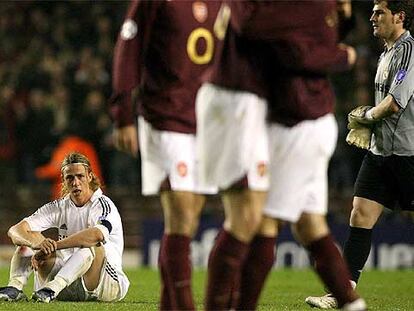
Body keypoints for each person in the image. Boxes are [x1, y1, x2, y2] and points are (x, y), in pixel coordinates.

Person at [109, 1, 222, 309]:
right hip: (165, 114)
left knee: (187, 222)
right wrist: (122, 112)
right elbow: (127, 48)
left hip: (208, 119)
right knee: (181, 214)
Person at [305, 0, 414, 308]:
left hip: (408, 154)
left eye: (380, 12)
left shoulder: (409, 51)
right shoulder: (386, 54)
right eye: (373, 11)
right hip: (380, 154)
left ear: (399, 16)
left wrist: (366, 117)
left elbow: (393, 103)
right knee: (360, 214)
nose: (372, 17)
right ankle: (341, 294)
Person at [0, 152, 129, 303]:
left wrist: (54, 246)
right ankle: (15, 288)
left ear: (90, 176)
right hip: (69, 281)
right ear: (63, 180)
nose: (75, 182)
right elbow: (14, 230)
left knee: (91, 246)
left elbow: (96, 235)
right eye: (70, 177)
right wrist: (36, 244)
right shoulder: (58, 206)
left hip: (104, 284)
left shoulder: (103, 205)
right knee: (28, 238)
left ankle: (52, 288)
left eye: (80, 176)